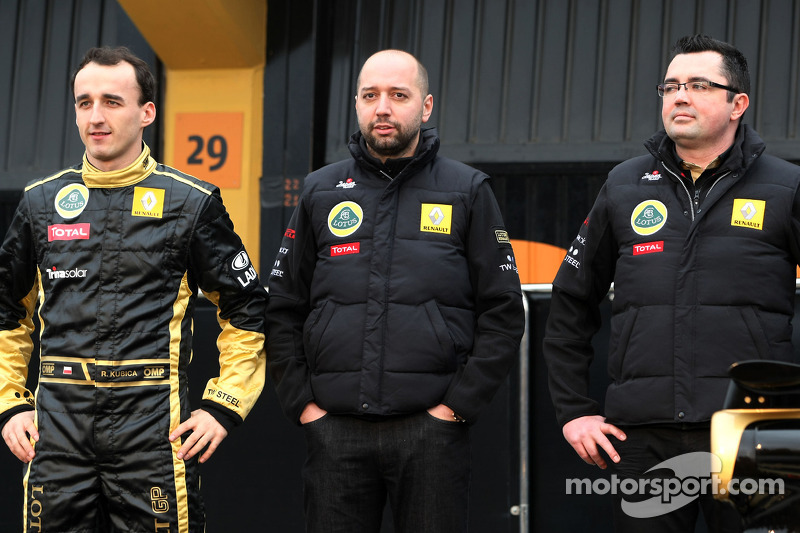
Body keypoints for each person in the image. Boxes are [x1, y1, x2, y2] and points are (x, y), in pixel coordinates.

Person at [0, 46, 268, 532]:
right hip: (57, 431)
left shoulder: (192, 202)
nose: (95, 117)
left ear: (147, 113)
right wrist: (9, 402)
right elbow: (6, 312)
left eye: (112, 102)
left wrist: (224, 404)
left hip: (151, 431)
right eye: (84, 103)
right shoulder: (40, 203)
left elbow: (246, 308)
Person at [543, 34, 800, 532]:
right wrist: (574, 411)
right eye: (671, 86)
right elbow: (572, 302)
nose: (680, 96)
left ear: (737, 104)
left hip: (751, 432)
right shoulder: (623, 186)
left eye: (700, 85)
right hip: (644, 435)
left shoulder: (786, 187)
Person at [265, 49, 525, 532]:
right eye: (370, 96)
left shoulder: (467, 190)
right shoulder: (320, 191)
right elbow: (282, 306)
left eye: (398, 95)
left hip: (431, 434)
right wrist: (304, 406)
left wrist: (456, 409)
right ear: (358, 104)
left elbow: (504, 310)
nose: (382, 108)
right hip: (334, 431)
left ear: (425, 108)